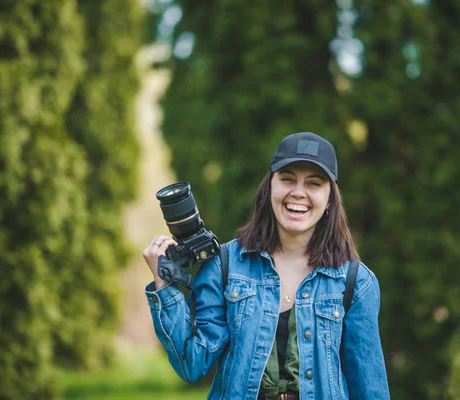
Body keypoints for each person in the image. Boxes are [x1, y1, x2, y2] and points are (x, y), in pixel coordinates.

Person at [143, 132, 390, 399]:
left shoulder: (355, 282)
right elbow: (191, 363)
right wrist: (165, 287)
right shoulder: (225, 267)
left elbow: (370, 389)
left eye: (314, 183)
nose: (298, 192)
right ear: (269, 187)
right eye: (287, 179)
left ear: (330, 199)